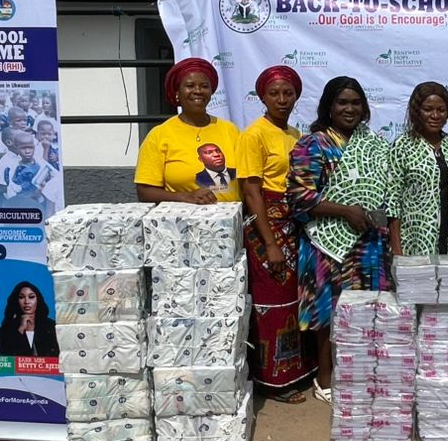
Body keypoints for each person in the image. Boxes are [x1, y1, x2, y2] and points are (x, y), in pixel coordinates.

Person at [288, 77, 392, 403]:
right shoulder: (313, 144)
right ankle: (325, 375)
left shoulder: (375, 144)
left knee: (364, 310)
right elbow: (299, 198)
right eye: (342, 103)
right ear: (329, 107)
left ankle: (359, 372)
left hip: (367, 242)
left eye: (355, 103)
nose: (349, 109)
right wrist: (345, 211)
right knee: (326, 309)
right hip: (325, 241)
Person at [237, 65, 313, 402]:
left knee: (292, 300)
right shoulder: (253, 135)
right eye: (274, 93)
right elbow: (251, 190)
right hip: (266, 225)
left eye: (288, 93)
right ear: (262, 97)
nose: (282, 99)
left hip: (292, 223)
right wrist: (269, 243)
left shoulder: (294, 134)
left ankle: (296, 369)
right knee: (271, 302)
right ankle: (271, 380)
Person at [135, 57, 241, 204]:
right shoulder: (159, 135)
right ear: (177, 93)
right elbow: (144, 192)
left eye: (204, 86)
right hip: (183, 223)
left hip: (231, 223)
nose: (197, 91)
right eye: (190, 86)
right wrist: (185, 197)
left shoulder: (230, 130)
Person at [388, 82, 448, 257]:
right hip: (415, 241)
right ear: (417, 111)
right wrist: (397, 250)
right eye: (428, 109)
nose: (435, 115)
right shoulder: (402, 146)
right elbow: (393, 204)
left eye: (441, 110)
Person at [0, 280, 58, 356]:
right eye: (21, 297)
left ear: (38, 299)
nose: (26, 301)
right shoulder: (8, 326)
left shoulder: (50, 326)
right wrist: (20, 329)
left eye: (31, 297)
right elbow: (8, 355)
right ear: (16, 301)